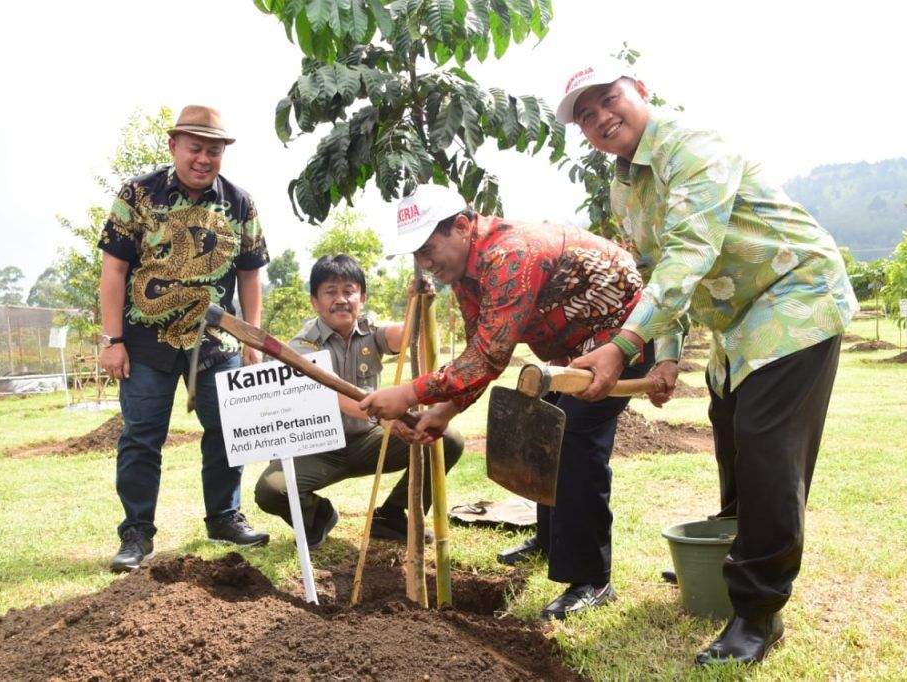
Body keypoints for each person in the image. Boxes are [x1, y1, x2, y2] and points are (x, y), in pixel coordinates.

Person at [555, 61, 858, 664]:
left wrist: (619, 348)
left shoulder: (693, 148)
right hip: (738, 318)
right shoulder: (623, 185)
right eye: (585, 116)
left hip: (795, 293)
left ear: (639, 92)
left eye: (607, 100)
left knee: (767, 444)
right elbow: (655, 273)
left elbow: (690, 253)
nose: (599, 119)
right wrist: (665, 357)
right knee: (732, 438)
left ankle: (757, 612)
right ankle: (733, 559)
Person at [359, 184, 662, 620]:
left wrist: (408, 393)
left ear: (462, 227)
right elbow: (480, 352)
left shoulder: (511, 254)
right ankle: (548, 539)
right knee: (539, 425)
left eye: (429, 248)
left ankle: (592, 580)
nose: (424, 263)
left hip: (622, 338)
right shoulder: (465, 275)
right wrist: (444, 411)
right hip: (572, 353)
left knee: (574, 441)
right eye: (417, 254)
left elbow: (489, 355)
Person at [98, 105, 271, 573]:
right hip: (145, 343)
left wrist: (252, 336)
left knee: (229, 433)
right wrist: (112, 339)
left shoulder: (240, 203)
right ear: (174, 145)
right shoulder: (138, 194)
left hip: (217, 343)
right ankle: (136, 532)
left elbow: (251, 275)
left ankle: (224, 517)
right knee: (141, 438)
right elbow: (113, 269)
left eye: (213, 150)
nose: (203, 158)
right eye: (195, 147)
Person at [254, 254, 464, 548]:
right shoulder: (302, 347)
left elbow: (408, 340)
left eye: (349, 290)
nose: (341, 299)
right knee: (271, 490)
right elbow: (335, 397)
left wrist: (418, 307)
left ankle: (392, 516)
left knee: (446, 438)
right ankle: (318, 516)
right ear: (314, 301)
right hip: (318, 448)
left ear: (362, 296)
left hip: (368, 441)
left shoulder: (369, 330)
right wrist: (386, 418)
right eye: (330, 291)